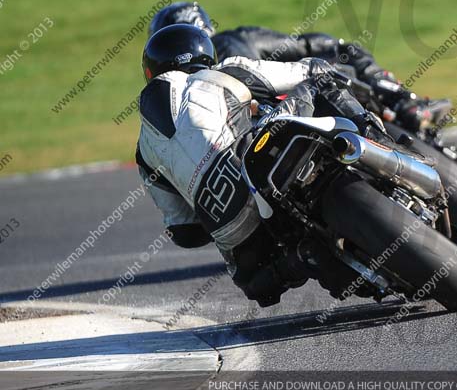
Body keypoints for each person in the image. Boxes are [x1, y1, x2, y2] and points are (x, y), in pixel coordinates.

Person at [136, 24, 380, 307]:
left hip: (244, 246)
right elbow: (308, 72)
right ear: (203, 54)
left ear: (150, 72)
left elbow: (185, 232)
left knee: (257, 282)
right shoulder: (223, 72)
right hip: (265, 167)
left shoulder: (143, 150)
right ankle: (376, 136)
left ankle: (306, 257)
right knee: (319, 82)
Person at [148, 2, 444, 133]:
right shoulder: (235, 40)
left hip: (264, 133)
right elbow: (305, 46)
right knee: (342, 55)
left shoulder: (174, 104)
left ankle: (397, 101)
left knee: (341, 60)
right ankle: (403, 102)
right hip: (293, 106)